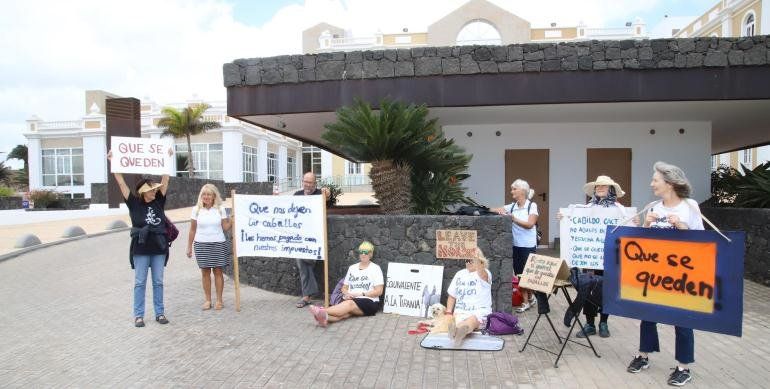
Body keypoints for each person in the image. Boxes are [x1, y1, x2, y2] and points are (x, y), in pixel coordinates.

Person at [626, 161, 703, 387]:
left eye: (655, 180)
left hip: (682, 275)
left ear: (669, 183)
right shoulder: (654, 207)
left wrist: (682, 227)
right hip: (655, 273)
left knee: (682, 320)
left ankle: (683, 367)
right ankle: (643, 355)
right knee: (648, 315)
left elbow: (703, 241)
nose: (652, 184)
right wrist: (646, 227)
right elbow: (645, 244)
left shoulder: (690, 207)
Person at [558, 175, 637, 338]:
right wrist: (564, 218)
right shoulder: (585, 209)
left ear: (611, 190)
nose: (599, 188)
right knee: (587, 288)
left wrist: (635, 221)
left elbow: (629, 229)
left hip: (609, 259)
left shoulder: (620, 210)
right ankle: (589, 323)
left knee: (606, 290)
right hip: (590, 258)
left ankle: (603, 322)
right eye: (597, 186)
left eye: (604, 186)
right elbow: (573, 222)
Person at [107, 149, 172, 328]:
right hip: (141, 248)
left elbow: (165, 180)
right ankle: (139, 315)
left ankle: (160, 313)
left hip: (158, 247)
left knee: (158, 281)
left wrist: (167, 158)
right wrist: (113, 162)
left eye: (155, 190)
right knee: (140, 282)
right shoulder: (134, 203)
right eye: (151, 190)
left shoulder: (159, 201)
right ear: (144, 192)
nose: (154, 192)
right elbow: (121, 182)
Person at [309, 241, 383, 327]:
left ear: (371, 254)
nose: (363, 254)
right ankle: (324, 318)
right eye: (361, 252)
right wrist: (347, 293)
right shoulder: (352, 268)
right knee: (343, 315)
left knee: (349, 304)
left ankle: (321, 311)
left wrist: (360, 294)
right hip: (351, 299)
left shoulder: (375, 268)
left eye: (366, 252)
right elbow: (344, 287)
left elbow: (379, 291)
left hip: (369, 301)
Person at [493, 179, 539, 312]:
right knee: (520, 274)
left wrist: (513, 218)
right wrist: (483, 209)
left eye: (514, 189)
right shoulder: (512, 206)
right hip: (516, 245)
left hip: (528, 246)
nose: (511, 191)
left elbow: (530, 224)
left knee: (526, 275)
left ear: (522, 191)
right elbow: (497, 209)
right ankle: (530, 298)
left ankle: (526, 301)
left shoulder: (532, 206)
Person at [186, 184, 232, 311]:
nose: (206, 197)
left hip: (218, 243)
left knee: (218, 272)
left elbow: (225, 228)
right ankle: (207, 300)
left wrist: (232, 221)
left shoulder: (220, 209)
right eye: (204, 194)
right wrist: (189, 247)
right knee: (205, 273)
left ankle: (219, 300)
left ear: (214, 196)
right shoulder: (196, 210)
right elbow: (192, 230)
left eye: (209, 194)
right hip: (201, 244)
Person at [293, 172, 330, 308]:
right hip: (299, 237)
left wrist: (327, 194)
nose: (307, 184)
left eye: (310, 182)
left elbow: (328, 198)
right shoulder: (297, 195)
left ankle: (308, 295)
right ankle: (307, 296)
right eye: (305, 181)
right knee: (302, 262)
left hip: (315, 237)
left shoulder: (320, 194)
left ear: (315, 183)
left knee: (308, 262)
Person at [446, 248, 492, 346]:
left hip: (479, 312)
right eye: (466, 259)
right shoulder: (460, 274)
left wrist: (476, 257)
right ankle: (457, 331)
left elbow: (481, 272)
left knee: (472, 321)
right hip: (460, 311)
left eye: (471, 260)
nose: (468, 262)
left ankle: (459, 331)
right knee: (458, 320)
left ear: (479, 261)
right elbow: (452, 296)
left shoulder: (485, 273)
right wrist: (449, 312)